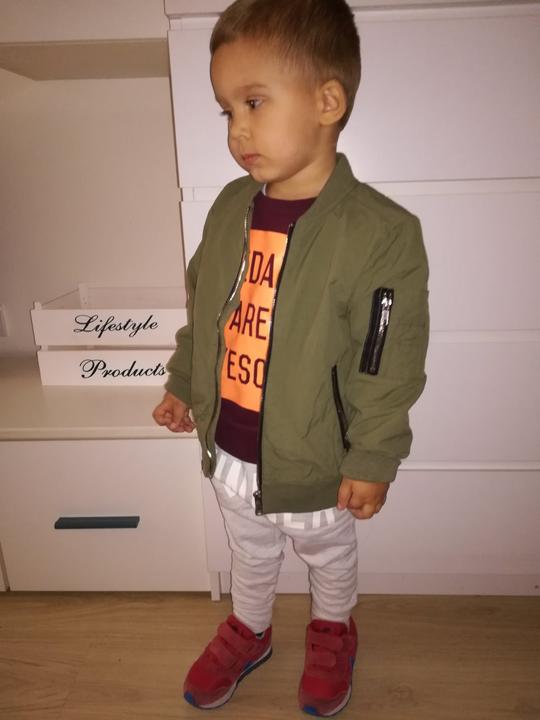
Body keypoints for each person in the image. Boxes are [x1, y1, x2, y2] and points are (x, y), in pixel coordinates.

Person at [153, 0, 429, 715]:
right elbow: (204, 308)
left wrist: (374, 454)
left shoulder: (380, 233)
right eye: (226, 111)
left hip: (316, 455)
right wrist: (184, 381)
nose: (237, 130)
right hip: (233, 443)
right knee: (248, 549)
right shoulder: (229, 209)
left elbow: (386, 358)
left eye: (253, 102)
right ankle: (250, 628)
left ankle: (333, 629)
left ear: (327, 102)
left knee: (327, 554)